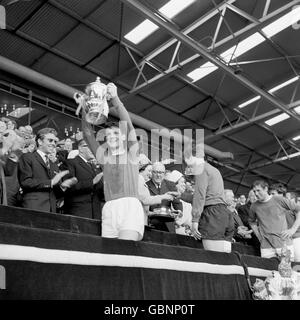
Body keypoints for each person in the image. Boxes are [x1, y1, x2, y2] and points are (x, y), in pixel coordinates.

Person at [82, 83, 144, 241]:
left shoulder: (132, 152)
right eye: (108, 134)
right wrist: (85, 108)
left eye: (116, 133)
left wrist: (115, 98)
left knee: (126, 252)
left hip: (130, 206)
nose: (112, 136)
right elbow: (88, 134)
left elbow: (128, 125)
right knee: (111, 257)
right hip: (109, 208)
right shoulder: (104, 157)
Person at [185, 143, 234, 253]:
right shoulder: (214, 170)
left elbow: (200, 195)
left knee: (213, 258)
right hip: (224, 214)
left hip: (212, 215)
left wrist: (195, 220)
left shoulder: (201, 169)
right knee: (224, 259)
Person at [18, 128, 77, 213]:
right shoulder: (27, 157)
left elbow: (55, 191)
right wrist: (50, 183)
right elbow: (26, 182)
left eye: (55, 142)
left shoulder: (53, 165)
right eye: (50, 140)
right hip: (33, 207)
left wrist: (63, 186)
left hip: (51, 210)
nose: (53, 144)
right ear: (40, 142)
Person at [249, 180, 300, 260]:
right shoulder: (254, 206)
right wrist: (258, 235)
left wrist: (292, 230)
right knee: (269, 271)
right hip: (266, 247)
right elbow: (251, 221)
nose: (256, 194)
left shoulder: (279, 199)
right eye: (254, 191)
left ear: (266, 189)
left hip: (284, 244)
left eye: (258, 190)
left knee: (287, 271)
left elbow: (298, 211)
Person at [62, 139, 105, 220]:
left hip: (96, 213)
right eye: (90, 147)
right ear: (81, 148)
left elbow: (99, 190)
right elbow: (68, 187)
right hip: (78, 212)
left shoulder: (94, 167)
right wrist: (92, 182)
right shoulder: (70, 163)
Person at [138, 154, 174, 226]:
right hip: (139, 221)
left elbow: (144, 208)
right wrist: (163, 197)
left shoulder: (141, 181)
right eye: (149, 171)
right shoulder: (139, 179)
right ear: (141, 169)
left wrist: (155, 213)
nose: (150, 174)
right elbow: (146, 200)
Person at [146, 162, 182, 232]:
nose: (158, 175)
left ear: (164, 173)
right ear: (151, 173)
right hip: (151, 223)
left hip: (168, 224)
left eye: (161, 173)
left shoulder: (170, 185)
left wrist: (179, 211)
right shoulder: (146, 185)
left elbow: (177, 202)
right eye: (156, 172)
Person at [166, 170, 193, 236]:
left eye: (185, 182)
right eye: (182, 182)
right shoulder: (168, 200)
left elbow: (190, 222)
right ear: (175, 184)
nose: (184, 185)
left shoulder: (188, 204)